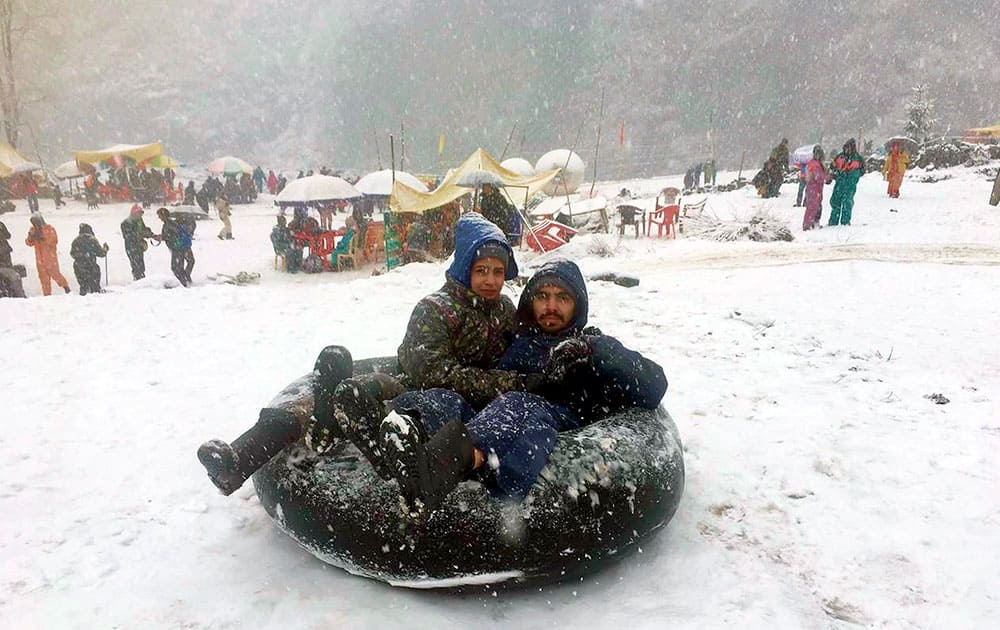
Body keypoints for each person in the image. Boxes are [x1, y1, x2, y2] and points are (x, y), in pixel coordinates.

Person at [195, 213, 527, 495]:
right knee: (350, 389)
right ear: (465, 268)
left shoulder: (505, 312)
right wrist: (499, 381)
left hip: (459, 405)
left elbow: (523, 352)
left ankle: (329, 422)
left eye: (497, 272)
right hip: (413, 388)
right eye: (482, 270)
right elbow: (429, 371)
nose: (490, 280)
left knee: (357, 396)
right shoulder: (437, 308)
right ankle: (239, 460)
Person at [377, 259, 668, 514]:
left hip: (553, 422)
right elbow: (489, 384)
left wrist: (593, 350)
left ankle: (440, 470)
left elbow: (655, 385)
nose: (550, 306)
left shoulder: (592, 346)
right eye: (542, 296)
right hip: (498, 414)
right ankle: (397, 433)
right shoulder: (520, 344)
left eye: (562, 298)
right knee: (446, 398)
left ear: (577, 303)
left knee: (516, 404)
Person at [25, 213, 71, 295]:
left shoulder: (49, 229)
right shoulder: (33, 230)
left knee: (56, 274)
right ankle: (47, 295)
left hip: (50, 258)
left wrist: (43, 238)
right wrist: (30, 237)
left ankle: (66, 287)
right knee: (43, 278)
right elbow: (29, 243)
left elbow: (54, 241)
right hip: (39, 259)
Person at [828, 138, 865, 226]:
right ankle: (833, 221)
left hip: (850, 184)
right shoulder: (840, 156)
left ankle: (845, 222)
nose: (846, 150)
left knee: (847, 203)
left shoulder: (858, 158)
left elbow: (862, 171)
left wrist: (853, 175)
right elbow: (833, 168)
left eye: (849, 148)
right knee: (835, 202)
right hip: (839, 183)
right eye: (845, 148)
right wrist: (834, 172)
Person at [157, 207, 194, 287]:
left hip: (178, 248)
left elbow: (173, 235)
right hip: (182, 246)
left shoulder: (169, 224)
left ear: (163, 215)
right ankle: (185, 278)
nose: (159, 218)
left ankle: (182, 282)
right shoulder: (171, 223)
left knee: (176, 267)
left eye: (159, 215)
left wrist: (163, 237)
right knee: (183, 264)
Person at [69, 223, 108, 296]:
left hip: (79, 266)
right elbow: (101, 253)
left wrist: (80, 255)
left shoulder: (76, 241)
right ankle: (95, 292)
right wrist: (105, 248)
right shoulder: (92, 240)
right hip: (91, 265)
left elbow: (72, 253)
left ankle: (84, 294)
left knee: (83, 284)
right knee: (94, 284)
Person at [120, 205, 155, 281]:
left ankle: (141, 278)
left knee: (141, 264)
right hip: (131, 247)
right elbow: (128, 236)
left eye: (141, 214)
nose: (140, 215)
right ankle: (138, 279)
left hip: (139, 246)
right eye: (138, 213)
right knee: (135, 264)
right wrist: (139, 235)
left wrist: (150, 234)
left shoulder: (139, 221)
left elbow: (144, 229)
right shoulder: (126, 223)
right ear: (133, 213)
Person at [803, 145, 828, 231]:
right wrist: (827, 177)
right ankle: (808, 225)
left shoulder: (812, 163)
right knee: (813, 207)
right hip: (814, 188)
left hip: (813, 188)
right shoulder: (815, 164)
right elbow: (818, 177)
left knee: (815, 207)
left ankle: (812, 223)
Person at [0, 220, 27, 298]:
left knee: (14, 277)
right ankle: (20, 296)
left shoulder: (1, 224)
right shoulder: (1, 224)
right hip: (5, 260)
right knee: (14, 277)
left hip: (5, 260)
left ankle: (20, 297)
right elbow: (8, 235)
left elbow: (8, 235)